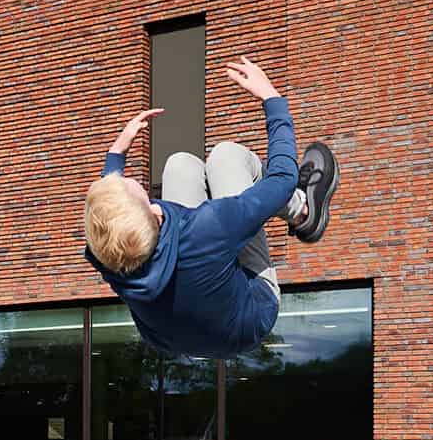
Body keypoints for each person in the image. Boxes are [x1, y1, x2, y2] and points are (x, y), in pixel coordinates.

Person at [82, 56, 338, 361]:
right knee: (225, 157)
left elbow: (109, 217)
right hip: (249, 319)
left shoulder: (111, 257)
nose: (131, 179)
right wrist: (273, 99)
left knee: (180, 165)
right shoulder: (209, 228)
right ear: (152, 212)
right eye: (131, 185)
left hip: (177, 337)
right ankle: (303, 211)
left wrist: (116, 152)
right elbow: (282, 178)